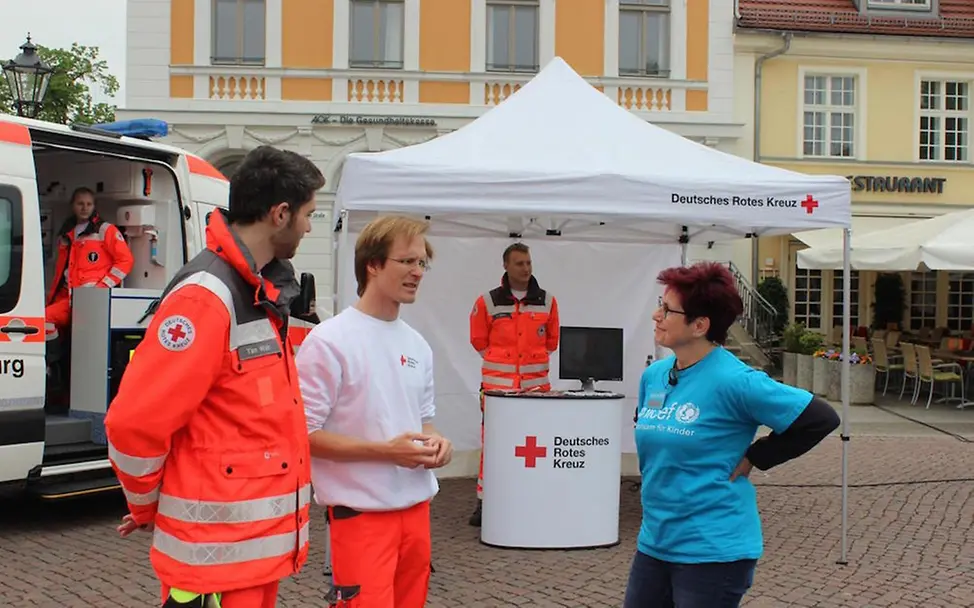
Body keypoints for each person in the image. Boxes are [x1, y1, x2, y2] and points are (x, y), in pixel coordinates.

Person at [104, 145, 326, 608]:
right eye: (308, 214)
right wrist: (145, 505)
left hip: (248, 557)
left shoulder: (257, 289)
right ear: (281, 214)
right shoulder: (208, 296)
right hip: (214, 565)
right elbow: (134, 422)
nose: (309, 226)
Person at [624, 262, 840, 608]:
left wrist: (758, 455)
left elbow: (820, 418)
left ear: (699, 325)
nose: (655, 314)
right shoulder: (656, 375)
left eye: (667, 309)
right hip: (655, 544)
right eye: (659, 304)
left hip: (713, 551)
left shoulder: (737, 381)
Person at [296, 215, 454, 608]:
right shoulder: (329, 341)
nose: (418, 272)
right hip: (361, 516)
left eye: (422, 263)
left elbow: (424, 422)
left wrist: (437, 445)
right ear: (373, 263)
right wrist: (388, 452)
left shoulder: (418, 345)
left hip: (416, 512)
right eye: (407, 261)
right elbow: (303, 435)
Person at [467, 242, 559, 526]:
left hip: (535, 390)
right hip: (498, 390)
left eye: (528, 262)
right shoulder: (488, 301)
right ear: (506, 266)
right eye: (519, 263)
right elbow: (478, 340)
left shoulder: (548, 300)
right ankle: (485, 502)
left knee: (535, 446)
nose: (526, 268)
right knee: (493, 445)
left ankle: (531, 498)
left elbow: (552, 341)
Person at [45, 186, 134, 341]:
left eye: (89, 204)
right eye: (80, 203)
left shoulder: (105, 230)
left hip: (89, 297)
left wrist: (102, 286)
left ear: (94, 206)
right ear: (73, 205)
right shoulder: (67, 232)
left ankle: (52, 361)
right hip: (68, 294)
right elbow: (62, 269)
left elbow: (125, 261)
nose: (85, 208)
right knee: (49, 325)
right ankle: (56, 361)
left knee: (44, 319)